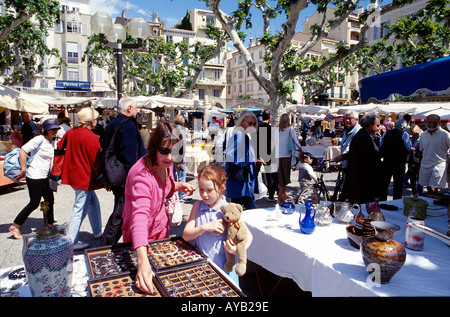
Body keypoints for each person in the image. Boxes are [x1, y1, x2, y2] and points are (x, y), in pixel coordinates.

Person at [121, 120, 195, 294]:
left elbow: (163, 188)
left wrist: (177, 186)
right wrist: (142, 262)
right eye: (164, 151)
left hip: (161, 231)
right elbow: (139, 217)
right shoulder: (142, 176)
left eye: (174, 151)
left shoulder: (166, 165)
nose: (170, 157)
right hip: (141, 240)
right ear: (153, 148)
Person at [183, 164, 253, 285]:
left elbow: (249, 236)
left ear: (221, 188)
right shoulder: (197, 206)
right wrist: (204, 227)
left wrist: (237, 249)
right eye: (201, 189)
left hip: (224, 271)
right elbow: (186, 235)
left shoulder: (228, 211)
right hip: (201, 270)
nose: (204, 194)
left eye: (209, 190)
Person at [99, 96, 147, 246]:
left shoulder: (112, 123)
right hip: (124, 177)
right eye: (136, 108)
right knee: (120, 212)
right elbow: (130, 156)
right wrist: (136, 177)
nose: (137, 111)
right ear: (129, 109)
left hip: (114, 173)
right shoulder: (128, 125)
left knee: (122, 210)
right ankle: (106, 246)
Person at [57, 108, 103, 250]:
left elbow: (59, 146)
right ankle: (72, 240)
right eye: (95, 118)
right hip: (84, 177)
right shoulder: (91, 137)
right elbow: (96, 161)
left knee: (92, 203)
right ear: (91, 120)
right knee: (80, 209)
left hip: (72, 175)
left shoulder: (71, 132)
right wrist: (103, 178)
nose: (96, 120)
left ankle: (97, 231)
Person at [9, 119, 60, 239]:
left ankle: (50, 225)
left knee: (49, 200)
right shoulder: (39, 139)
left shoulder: (51, 141)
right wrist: (23, 169)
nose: (55, 132)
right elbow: (23, 150)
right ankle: (16, 226)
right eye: (52, 130)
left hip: (45, 176)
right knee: (34, 203)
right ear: (46, 130)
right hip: (34, 176)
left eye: (56, 129)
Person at [341, 113, 384, 204]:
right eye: (377, 125)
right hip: (364, 182)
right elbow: (370, 160)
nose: (378, 128)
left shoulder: (360, 135)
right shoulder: (365, 137)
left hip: (357, 180)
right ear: (369, 124)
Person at [224, 111, 260, 210]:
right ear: (242, 121)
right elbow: (230, 155)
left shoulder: (244, 135)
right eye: (250, 123)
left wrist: (254, 160)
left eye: (254, 124)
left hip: (242, 181)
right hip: (240, 181)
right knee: (249, 211)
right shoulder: (239, 135)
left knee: (237, 212)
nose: (252, 126)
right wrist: (249, 161)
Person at [380, 118, 412, 200]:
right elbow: (408, 147)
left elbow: (381, 145)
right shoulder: (404, 134)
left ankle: (382, 201)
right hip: (399, 162)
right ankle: (396, 202)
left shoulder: (386, 133)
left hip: (387, 161)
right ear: (403, 127)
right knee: (398, 185)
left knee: (384, 184)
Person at [418, 114, 450, 193]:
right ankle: (432, 203)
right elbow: (422, 148)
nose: (432, 125)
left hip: (438, 165)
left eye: (434, 123)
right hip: (425, 165)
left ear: (439, 123)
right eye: (430, 122)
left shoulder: (445, 134)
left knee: (433, 187)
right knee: (428, 188)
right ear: (426, 122)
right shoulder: (422, 135)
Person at [276, 113, 301, 204]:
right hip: (286, 156)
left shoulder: (277, 130)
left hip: (278, 156)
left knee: (281, 176)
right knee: (284, 177)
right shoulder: (290, 129)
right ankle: (280, 197)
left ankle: (284, 193)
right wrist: (300, 149)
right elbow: (296, 140)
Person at [257, 110, 278, 202]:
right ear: (270, 117)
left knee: (265, 174)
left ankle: (269, 192)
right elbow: (270, 143)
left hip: (259, 153)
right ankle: (272, 193)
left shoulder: (257, 126)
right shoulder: (269, 128)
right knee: (272, 174)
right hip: (268, 153)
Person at [173, 114, 189, 202]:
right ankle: (182, 195)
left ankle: (171, 193)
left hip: (172, 156)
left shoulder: (172, 129)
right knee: (181, 176)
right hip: (180, 156)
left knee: (172, 176)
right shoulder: (181, 131)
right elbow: (183, 144)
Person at [408, 125, 423, 196]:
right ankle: (415, 193)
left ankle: (420, 193)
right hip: (412, 160)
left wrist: (415, 149)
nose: (414, 136)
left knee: (420, 178)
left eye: (416, 134)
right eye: (413, 134)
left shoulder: (422, 138)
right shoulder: (410, 138)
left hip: (420, 160)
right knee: (412, 178)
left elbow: (422, 149)